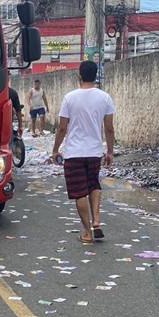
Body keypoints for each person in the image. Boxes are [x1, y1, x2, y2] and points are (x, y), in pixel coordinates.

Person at [51, 61, 115, 244]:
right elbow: (109, 129)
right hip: (94, 152)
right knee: (93, 185)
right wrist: (110, 152)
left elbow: (62, 128)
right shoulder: (104, 98)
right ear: (96, 76)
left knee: (79, 192)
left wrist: (55, 150)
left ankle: (87, 232)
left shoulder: (69, 98)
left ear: (79, 76)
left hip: (74, 153)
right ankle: (96, 221)